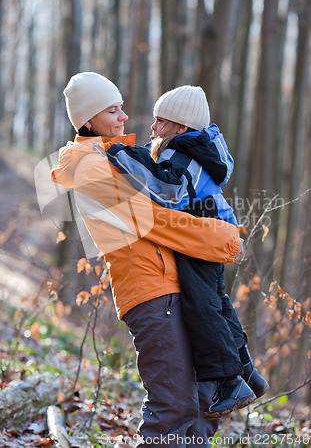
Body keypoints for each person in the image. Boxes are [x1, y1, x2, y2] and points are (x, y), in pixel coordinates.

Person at [51, 72, 243, 447]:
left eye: (122, 107)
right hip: (151, 291)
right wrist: (225, 238)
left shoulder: (116, 156)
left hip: (175, 286)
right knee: (173, 407)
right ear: (88, 120)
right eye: (112, 110)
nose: (124, 116)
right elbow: (156, 222)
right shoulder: (92, 167)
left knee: (204, 402)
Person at [105, 85, 269, 418]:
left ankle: (229, 382)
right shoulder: (196, 146)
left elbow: (170, 192)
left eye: (160, 121)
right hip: (212, 227)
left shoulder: (183, 151)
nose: (152, 128)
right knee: (218, 303)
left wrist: (124, 155)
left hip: (204, 229)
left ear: (180, 127)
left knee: (201, 304)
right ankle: (247, 370)